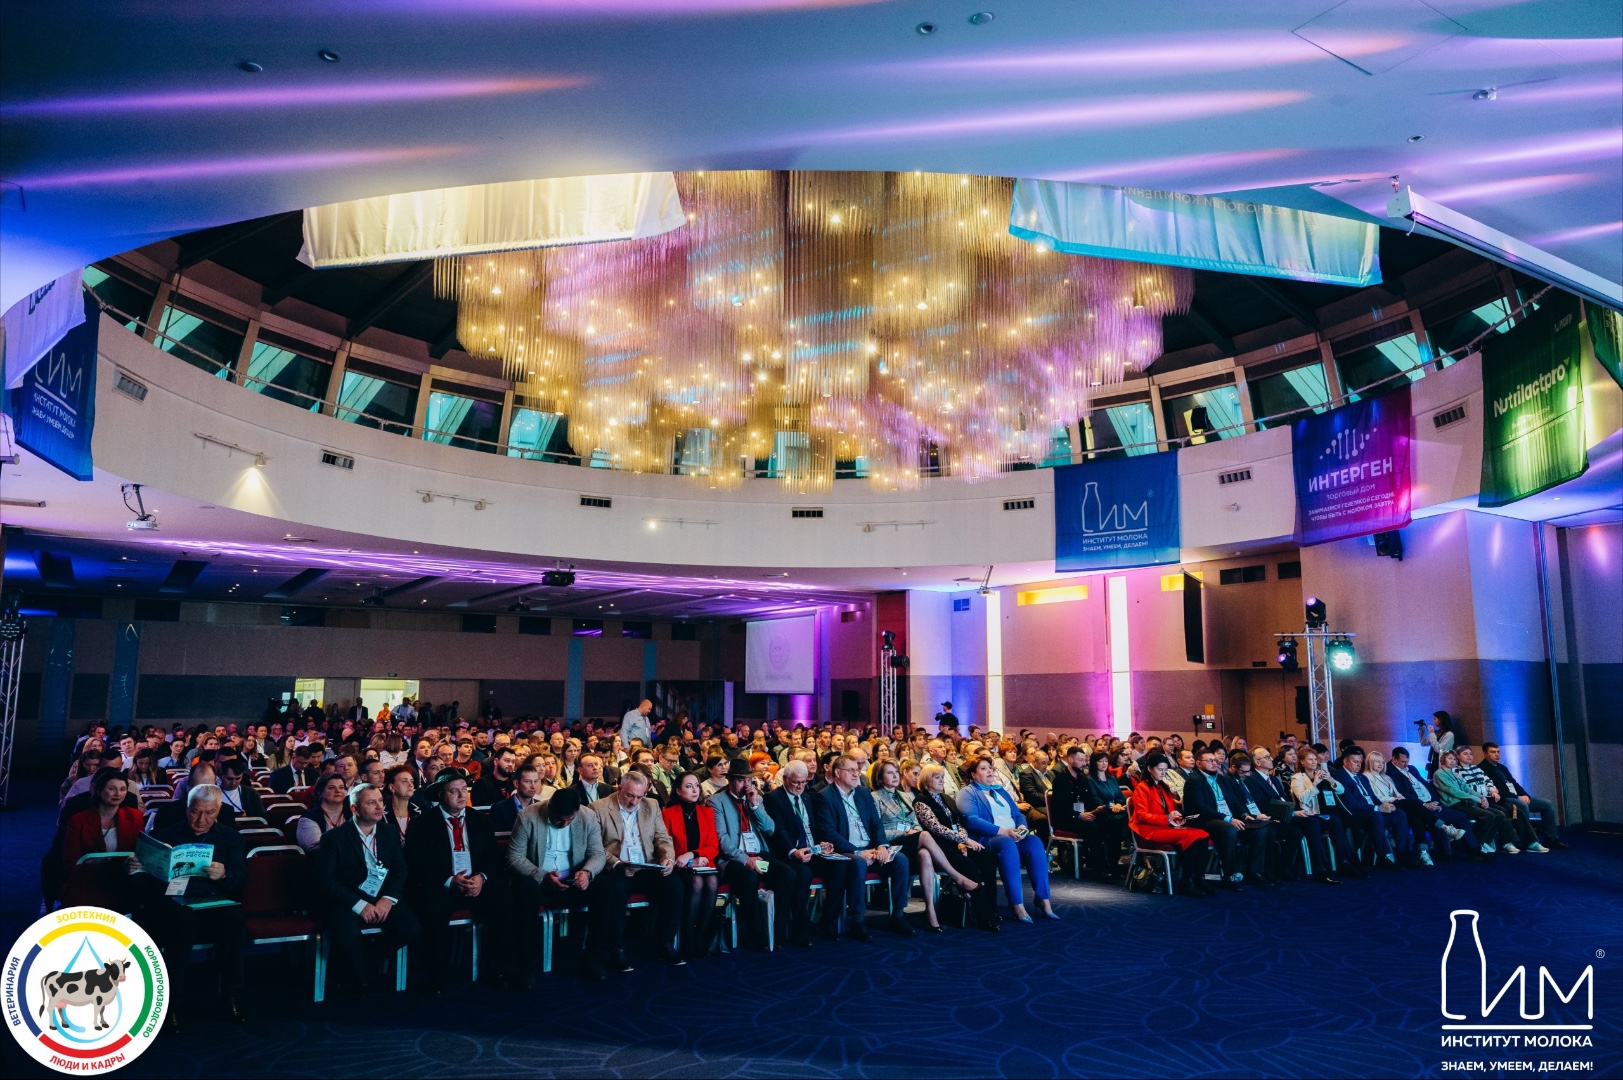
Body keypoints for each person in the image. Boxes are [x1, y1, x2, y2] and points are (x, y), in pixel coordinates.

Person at [132, 784, 248, 1030]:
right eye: (195, 812)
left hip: (211, 900)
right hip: (173, 901)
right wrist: (137, 870)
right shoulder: (166, 834)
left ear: (218, 811)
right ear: (187, 808)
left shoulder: (231, 838)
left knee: (234, 918)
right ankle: (170, 1004)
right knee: (182, 922)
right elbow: (145, 884)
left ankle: (232, 996)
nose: (201, 819)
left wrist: (224, 875)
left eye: (209, 813)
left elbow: (240, 881)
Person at [404, 767, 514, 993]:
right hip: (443, 885)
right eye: (454, 791)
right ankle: (436, 975)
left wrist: (481, 877)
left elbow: (492, 857)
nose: (462, 795)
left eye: (464, 789)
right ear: (441, 795)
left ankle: (497, 969)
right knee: (432, 904)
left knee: (502, 898)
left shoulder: (478, 819)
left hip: (476, 883)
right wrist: (449, 880)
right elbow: (417, 863)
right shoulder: (422, 823)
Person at [316, 784, 421, 998]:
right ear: (354, 809)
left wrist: (388, 899)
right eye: (371, 803)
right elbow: (326, 881)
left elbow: (400, 871)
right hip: (347, 899)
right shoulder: (333, 838)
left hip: (381, 896)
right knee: (347, 932)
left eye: (380, 801)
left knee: (410, 927)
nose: (379, 807)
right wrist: (360, 905)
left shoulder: (389, 832)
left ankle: (364, 966)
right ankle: (359, 983)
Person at [506, 789, 607, 983]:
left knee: (605, 887)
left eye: (570, 820)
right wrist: (542, 875)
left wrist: (587, 872)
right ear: (550, 808)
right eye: (560, 820)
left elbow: (598, 854)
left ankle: (594, 959)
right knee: (524, 890)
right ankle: (527, 965)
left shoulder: (587, 816)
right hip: (539, 880)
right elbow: (514, 857)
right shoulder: (528, 816)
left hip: (574, 879)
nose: (565, 825)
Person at [812, 753, 916, 938]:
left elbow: (876, 823)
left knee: (900, 860)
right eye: (851, 770)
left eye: (857, 770)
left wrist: (882, 846)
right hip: (846, 850)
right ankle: (858, 920)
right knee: (858, 862)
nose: (856, 774)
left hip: (871, 848)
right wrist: (858, 852)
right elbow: (829, 833)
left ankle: (898, 916)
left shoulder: (862, 792)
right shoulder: (824, 797)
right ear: (838, 772)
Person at [590, 770, 684, 968]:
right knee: (615, 890)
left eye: (639, 797)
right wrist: (617, 864)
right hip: (617, 867)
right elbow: (595, 847)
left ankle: (665, 943)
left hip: (646, 865)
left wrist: (667, 858)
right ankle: (616, 949)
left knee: (674, 884)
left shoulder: (651, 805)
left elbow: (663, 838)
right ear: (619, 788)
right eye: (629, 795)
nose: (634, 802)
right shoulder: (598, 808)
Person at [872, 760, 976, 932]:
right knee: (926, 835)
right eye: (890, 773)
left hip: (911, 841)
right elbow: (877, 830)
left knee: (925, 854)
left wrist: (914, 831)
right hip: (890, 844)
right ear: (880, 777)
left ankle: (930, 911)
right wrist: (905, 832)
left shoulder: (905, 796)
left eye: (896, 772)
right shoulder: (874, 797)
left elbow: (917, 824)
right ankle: (957, 877)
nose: (895, 775)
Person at [956, 756, 1056, 921]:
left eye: (990, 768)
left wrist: (1022, 827)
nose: (989, 771)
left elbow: (1017, 814)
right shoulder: (967, 792)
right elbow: (971, 820)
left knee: (1035, 842)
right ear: (973, 774)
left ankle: (1043, 899)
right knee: (1007, 844)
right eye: (983, 768)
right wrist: (1003, 831)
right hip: (989, 838)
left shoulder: (1000, 790)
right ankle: (1017, 903)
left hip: (1013, 835)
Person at [708, 757, 788, 951]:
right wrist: (746, 860)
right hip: (732, 859)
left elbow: (770, 829)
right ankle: (756, 935)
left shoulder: (756, 798)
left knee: (787, 875)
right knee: (748, 878)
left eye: (749, 780)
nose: (745, 785)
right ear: (729, 780)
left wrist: (754, 806)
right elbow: (722, 840)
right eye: (740, 780)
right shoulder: (716, 801)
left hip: (758, 855)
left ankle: (777, 933)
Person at [910, 763, 1000, 930]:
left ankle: (991, 909)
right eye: (937, 777)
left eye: (942, 777)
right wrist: (963, 840)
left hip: (957, 844)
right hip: (940, 847)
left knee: (988, 858)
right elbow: (936, 828)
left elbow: (958, 822)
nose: (941, 780)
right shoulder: (921, 801)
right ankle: (984, 917)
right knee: (968, 866)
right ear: (927, 780)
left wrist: (962, 840)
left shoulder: (946, 798)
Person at [760, 760, 839, 947]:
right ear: (785, 779)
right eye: (796, 782)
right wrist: (793, 851)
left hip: (812, 850)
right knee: (803, 873)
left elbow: (813, 826)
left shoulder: (807, 797)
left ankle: (828, 922)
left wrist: (822, 844)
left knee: (839, 867)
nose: (800, 786)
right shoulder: (773, 798)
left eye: (804, 782)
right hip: (789, 853)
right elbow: (778, 831)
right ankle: (799, 928)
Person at [1180, 749, 1269, 889]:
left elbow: (1234, 801)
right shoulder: (1194, 780)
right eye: (1209, 761)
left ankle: (1253, 872)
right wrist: (1227, 818)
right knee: (1229, 829)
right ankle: (1229, 876)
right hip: (1205, 819)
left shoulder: (1222, 779)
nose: (1214, 763)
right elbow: (1200, 807)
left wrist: (1244, 814)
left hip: (1228, 818)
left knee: (1260, 829)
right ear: (1198, 763)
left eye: (1214, 760)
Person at [1128, 752, 1213, 897]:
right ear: (1149, 769)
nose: (1163, 773)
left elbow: (1171, 810)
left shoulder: (1163, 787)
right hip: (1149, 829)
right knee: (1191, 836)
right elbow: (1141, 816)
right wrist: (1167, 819)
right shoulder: (1142, 787)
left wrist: (1178, 818)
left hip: (1165, 826)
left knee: (1203, 834)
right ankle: (1187, 880)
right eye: (1160, 769)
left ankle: (1198, 877)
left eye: (1165, 770)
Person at [1386, 747, 1485, 860]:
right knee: (1434, 818)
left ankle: (1474, 850)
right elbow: (1403, 793)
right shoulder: (1389, 771)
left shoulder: (1412, 768)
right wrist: (1424, 804)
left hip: (1431, 802)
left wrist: (1436, 801)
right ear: (1394, 759)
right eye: (1403, 762)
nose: (1406, 764)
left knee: (1461, 817)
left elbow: (1427, 785)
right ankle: (1445, 853)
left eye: (1408, 761)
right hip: (1416, 806)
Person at [663, 772, 722, 957]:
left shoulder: (707, 812)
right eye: (689, 786)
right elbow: (666, 846)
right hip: (680, 866)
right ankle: (688, 937)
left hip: (703, 863)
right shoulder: (668, 813)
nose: (695, 790)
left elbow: (713, 846)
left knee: (711, 881)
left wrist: (694, 855)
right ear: (678, 791)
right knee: (697, 883)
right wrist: (688, 860)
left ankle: (700, 936)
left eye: (697, 785)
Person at [1287, 748, 1365, 878]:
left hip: (1324, 813)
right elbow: (1302, 798)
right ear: (1302, 762)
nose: (1314, 762)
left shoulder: (1321, 774)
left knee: (1336, 820)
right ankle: (1321, 867)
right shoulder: (1297, 778)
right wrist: (1315, 783)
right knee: (1315, 824)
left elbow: (1341, 790)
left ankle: (1345, 861)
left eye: (1315, 759)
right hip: (1308, 815)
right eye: (1310, 759)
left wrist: (1330, 779)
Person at [1334, 748, 1414, 869]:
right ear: (1345, 762)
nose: (1359, 765)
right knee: (1376, 815)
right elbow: (1351, 804)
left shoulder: (1362, 777)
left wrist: (1384, 805)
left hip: (1372, 811)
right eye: (1355, 762)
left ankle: (1402, 853)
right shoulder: (1341, 776)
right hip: (1357, 815)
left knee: (1399, 813)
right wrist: (1377, 808)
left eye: (1360, 762)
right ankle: (1385, 857)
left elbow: (1373, 797)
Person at [61, 768, 144, 883]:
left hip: (125, 879)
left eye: (123, 789)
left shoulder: (135, 816)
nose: (118, 794)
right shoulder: (78, 820)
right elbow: (71, 861)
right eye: (111, 789)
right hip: (89, 878)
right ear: (99, 791)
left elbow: (140, 852)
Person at [1434, 748, 1522, 854]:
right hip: (1454, 803)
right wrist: (1477, 799)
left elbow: (1467, 789)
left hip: (1467, 801)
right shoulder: (1439, 774)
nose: (1452, 761)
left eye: (1454, 759)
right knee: (1488, 816)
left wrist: (1482, 797)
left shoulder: (1454, 773)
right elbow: (1455, 792)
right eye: (1449, 758)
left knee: (1499, 814)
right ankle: (1478, 843)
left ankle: (1485, 841)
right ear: (1443, 759)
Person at [1479, 743, 1562, 850]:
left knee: (1547, 804)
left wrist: (1525, 795)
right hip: (1503, 798)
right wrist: (1517, 797)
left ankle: (1552, 839)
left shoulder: (1502, 767)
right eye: (1493, 752)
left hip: (1515, 795)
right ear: (1485, 753)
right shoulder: (1482, 769)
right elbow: (1496, 790)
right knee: (1522, 805)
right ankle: (1530, 840)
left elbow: (1514, 783)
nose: (1497, 754)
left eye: (1498, 752)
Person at [297, 775, 351, 852]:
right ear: (319, 792)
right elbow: (318, 848)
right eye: (332, 788)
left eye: (341, 787)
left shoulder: (355, 813)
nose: (338, 791)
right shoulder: (307, 819)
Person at [490, 763, 549, 833]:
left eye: (535, 781)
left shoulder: (543, 808)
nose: (533, 786)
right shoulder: (499, 809)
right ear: (516, 784)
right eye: (528, 781)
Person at [383, 765, 420, 846]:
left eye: (412, 781)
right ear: (392, 787)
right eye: (405, 781)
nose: (410, 785)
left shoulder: (421, 812)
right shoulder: (381, 815)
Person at [1423, 710, 1459, 776]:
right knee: (1431, 780)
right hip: (1434, 762)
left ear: (1441, 720)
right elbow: (1424, 743)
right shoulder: (1438, 733)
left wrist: (1432, 733)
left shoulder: (1449, 734)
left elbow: (1438, 749)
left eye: (1435, 719)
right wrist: (1421, 730)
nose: (1433, 721)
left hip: (1442, 764)